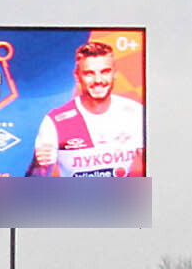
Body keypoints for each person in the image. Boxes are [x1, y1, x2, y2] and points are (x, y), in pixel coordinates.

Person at [28, 38, 145, 177]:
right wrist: (38, 164)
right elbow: (35, 183)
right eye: (89, 73)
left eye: (105, 72)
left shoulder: (136, 113)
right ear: (77, 77)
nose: (98, 80)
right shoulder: (55, 121)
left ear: (115, 74)